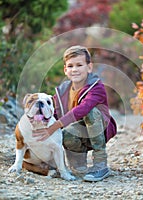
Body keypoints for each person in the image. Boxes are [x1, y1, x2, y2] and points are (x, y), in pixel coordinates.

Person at [32, 45, 117, 182]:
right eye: (70, 66)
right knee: (63, 133)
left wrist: (55, 126)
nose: (75, 69)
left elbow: (83, 108)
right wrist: (39, 123)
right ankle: (78, 164)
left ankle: (100, 165)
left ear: (89, 67)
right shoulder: (62, 90)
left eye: (79, 65)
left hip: (100, 128)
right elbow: (54, 114)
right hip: (79, 131)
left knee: (90, 112)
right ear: (65, 70)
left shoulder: (96, 86)